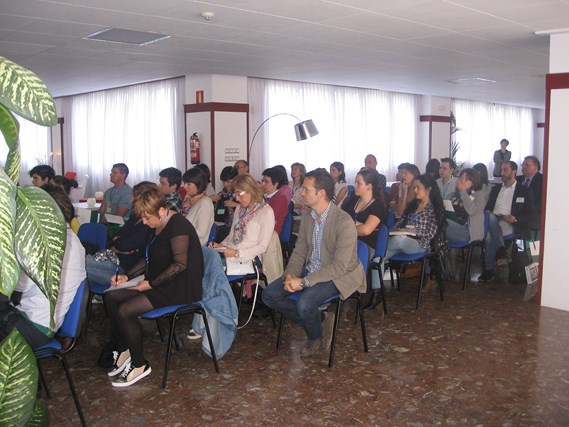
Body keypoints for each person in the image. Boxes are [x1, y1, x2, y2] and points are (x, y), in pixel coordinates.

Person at [104, 186, 203, 387]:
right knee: (110, 297)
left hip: (180, 285)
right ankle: (125, 349)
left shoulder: (179, 226)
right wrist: (127, 276)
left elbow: (180, 265)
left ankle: (139, 365)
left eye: (147, 218)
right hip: (160, 280)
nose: (145, 222)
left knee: (125, 310)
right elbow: (146, 257)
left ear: (161, 210)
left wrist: (151, 284)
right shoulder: (157, 224)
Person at [262, 168, 366, 357]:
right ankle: (318, 320)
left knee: (304, 303)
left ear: (321, 193)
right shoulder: (308, 217)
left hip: (339, 275)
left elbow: (339, 267)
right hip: (313, 269)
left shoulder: (344, 222)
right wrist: (290, 275)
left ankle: (315, 337)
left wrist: (303, 282)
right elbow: (300, 251)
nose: (301, 193)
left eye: (306, 190)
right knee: (269, 295)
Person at [2, 184, 85, 348]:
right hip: (37, 321)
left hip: (33, 326)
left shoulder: (49, 244)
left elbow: (17, 285)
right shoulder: (70, 239)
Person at [85, 181, 153, 285]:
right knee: (80, 263)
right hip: (113, 258)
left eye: (134, 197)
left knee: (80, 265)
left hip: (122, 268)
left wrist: (118, 244)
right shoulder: (135, 216)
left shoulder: (148, 225)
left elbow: (126, 244)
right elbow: (117, 236)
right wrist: (117, 245)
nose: (131, 200)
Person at [478, 161, 536, 282]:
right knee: (490, 217)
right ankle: (501, 250)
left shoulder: (524, 191)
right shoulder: (495, 189)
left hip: (510, 222)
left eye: (505, 170)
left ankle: (489, 270)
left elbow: (531, 214)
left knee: (488, 235)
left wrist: (515, 218)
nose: (502, 173)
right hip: (493, 219)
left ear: (514, 172)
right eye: (501, 170)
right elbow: (488, 207)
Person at [385, 174, 446, 287]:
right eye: (414, 187)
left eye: (418, 187)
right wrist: (398, 230)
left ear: (429, 189)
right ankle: (376, 290)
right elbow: (400, 222)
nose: (415, 190)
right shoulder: (413, 206)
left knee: (396, 241)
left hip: (421, 244)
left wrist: (413, 231)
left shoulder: (434, 209)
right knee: (379, 257)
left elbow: (431, 233)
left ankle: (377, 253)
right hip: (404, 240)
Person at [342, 169, 387, 310]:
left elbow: (366, 231)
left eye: (358, 183)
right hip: (348, 243)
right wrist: (357, 225)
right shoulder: (351, 202)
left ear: (369, 186)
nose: (354, 186)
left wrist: (350, 226)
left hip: (367, 247)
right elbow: (339, 223)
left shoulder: (377, 206)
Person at [210, 174, 275, 264]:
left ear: (251, 190)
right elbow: (231, 235)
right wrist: (221, 245)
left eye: (239, 194)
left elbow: (262, 247)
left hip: (249, 259)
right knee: (208, 259)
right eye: (235, 194)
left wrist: (237, 253)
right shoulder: (240, 208)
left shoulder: (266, 212)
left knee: (212, 266)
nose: (236, 198)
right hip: (232, 254)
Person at [446, 168, 487, 243]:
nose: (462, 181)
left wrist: (462, 191)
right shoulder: (451, 195)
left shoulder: (479, 195)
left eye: (466, 179)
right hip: (453, 226)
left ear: (473, 182)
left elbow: (471, 211)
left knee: (442, 222)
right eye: (461, 178)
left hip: (468, 232)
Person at [182, 168, 214, 246]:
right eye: (184, 183)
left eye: (188, 184)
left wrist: (178, 229)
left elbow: (201, 233)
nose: (184, 186)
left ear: (198, 185)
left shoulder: (205, 203)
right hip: (184, 241)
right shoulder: (189, 200)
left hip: (195, 245)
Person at [213, 166, 238, 242]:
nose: (225, 184)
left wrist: (237, 205)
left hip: (236, 229)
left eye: (228, 181)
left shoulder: (242, 194)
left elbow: (251, 209)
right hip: (220, 227)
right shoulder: (221, 194)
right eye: (223, 182)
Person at [262, 167, 289, 235]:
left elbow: (268, 218)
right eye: (262, 181)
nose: (263, 184)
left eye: (266, 181)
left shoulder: (280, 199)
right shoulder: (264, 196)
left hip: (272, 233)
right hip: (263, 229)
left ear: (275, 184)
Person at [517, 155, 543, 227]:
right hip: (516, 212)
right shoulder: (517, 179)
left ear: (536, 167)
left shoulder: (542, 180)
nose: (523, 167)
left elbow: (539, 203)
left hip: (533, 215)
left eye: (527, 165)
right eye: (522, 165)